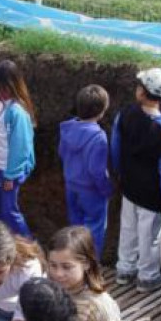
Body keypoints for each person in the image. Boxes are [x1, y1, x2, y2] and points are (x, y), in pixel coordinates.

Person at [111, 68, 161, 293]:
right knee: (150, 235)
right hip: (153, 192)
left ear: (142, 92)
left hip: (129, 185)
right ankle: (147, 276)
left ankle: (124, 269)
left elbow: (115, 148)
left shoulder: (125, 114)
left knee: (128, 227)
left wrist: (120, 174)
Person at [58, 85, 114, 259]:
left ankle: (75, 262)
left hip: (71, 186)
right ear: (101, 111)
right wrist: (107, 189)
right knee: (94, 229)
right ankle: (90, 266)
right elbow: (96, 171)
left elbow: (61, 152)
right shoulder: (98, 137)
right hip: (91, 191)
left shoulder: (67, 128)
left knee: (75, 229)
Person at [0, 60, 36, 237]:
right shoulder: (2, 104)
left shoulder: (17, 112)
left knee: (9, 211)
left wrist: (11, 175)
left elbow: (20, 147)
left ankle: (30, 247)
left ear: (12, 85)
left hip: (8, 171)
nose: (0, 91)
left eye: (2, 87)